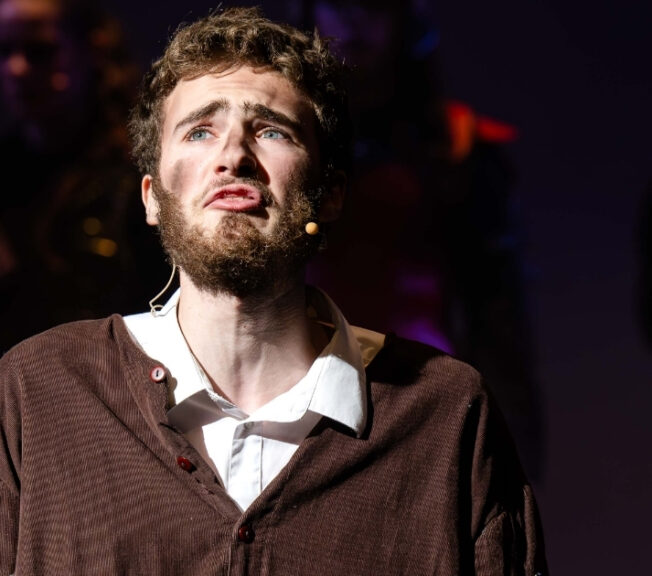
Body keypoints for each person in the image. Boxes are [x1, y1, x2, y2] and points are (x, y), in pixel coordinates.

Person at [0, 7, 548, 575]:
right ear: (151, 197)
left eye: (270, 131)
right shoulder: (39, 395)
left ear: (330, 192)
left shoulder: (445, 419)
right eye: (199, 131)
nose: (233, 156)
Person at [0, 0, 168, 352]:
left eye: (40, 51)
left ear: (91, 49)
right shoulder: (10, 166)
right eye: (4, 50)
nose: (16, 68)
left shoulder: (139, 168)